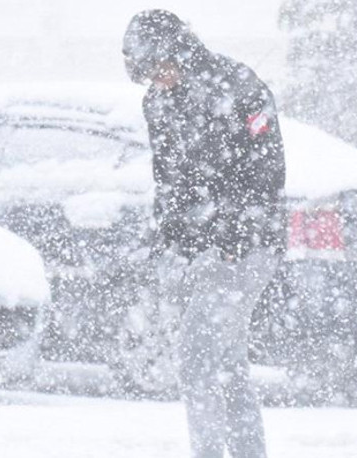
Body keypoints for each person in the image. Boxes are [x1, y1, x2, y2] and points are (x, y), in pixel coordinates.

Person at [122, 9, 286, 458]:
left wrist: (236, 232)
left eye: (159, 69)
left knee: (196, 356)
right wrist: (170, 240)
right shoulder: (157, 103)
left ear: (178, 51)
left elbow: (266, 168)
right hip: (201, 251)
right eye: (147, 76)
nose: (157, 81)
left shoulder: (237, 87)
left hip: (248, 247)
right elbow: (169, 181)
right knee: (226, 363)